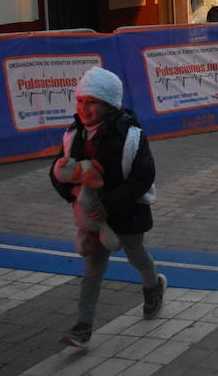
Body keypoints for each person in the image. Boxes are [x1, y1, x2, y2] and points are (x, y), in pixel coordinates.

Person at [50, 67, 166, 347]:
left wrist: (111, 206)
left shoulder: (130, 135)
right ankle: (83, 327)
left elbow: (143, 176)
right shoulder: (74, 134)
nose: (84, 108)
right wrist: (73, 192)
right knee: (93, 270)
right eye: (80, 101)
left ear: (109, 104)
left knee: (136, 255)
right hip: (92, 216)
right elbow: (57, 171)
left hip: (127, 211)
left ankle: (154, 286)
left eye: (91, 102)